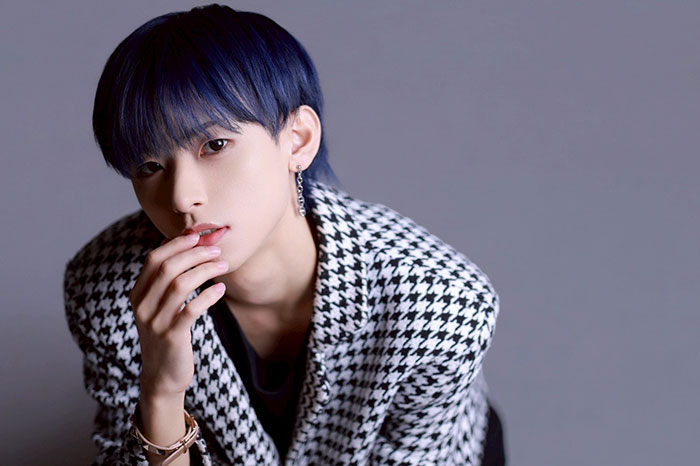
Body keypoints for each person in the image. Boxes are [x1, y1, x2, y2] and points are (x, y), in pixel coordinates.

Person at [63, 4, 505, 465]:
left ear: (298, 140)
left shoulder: (436, 303)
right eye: (150, 166)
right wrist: (161, 393)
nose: (182, 197)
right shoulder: (108, 292)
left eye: (215, 145)